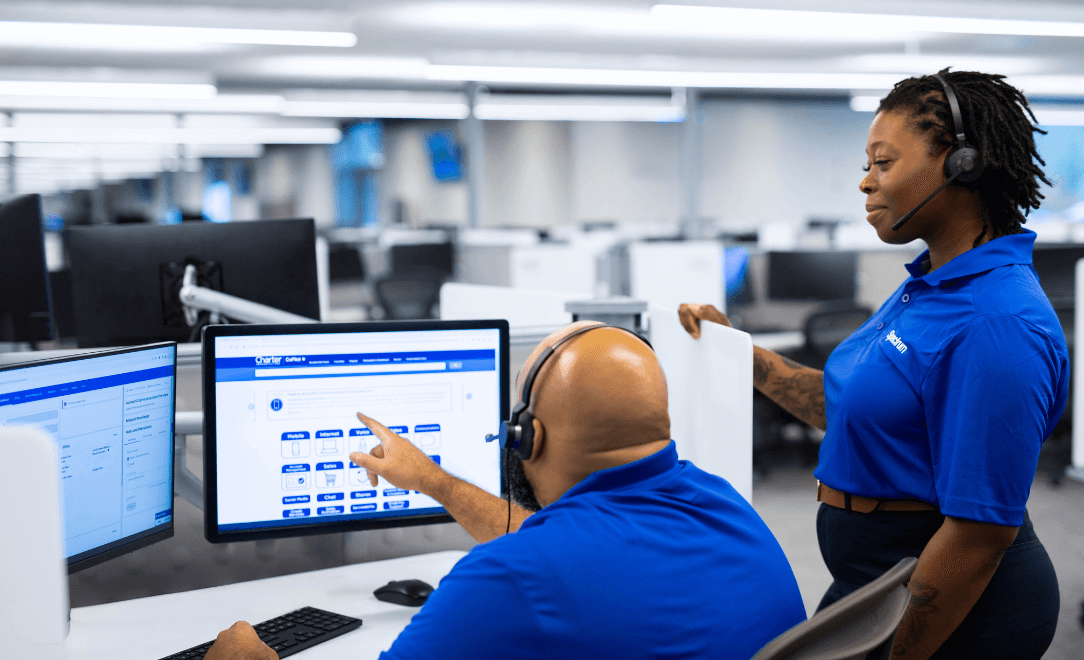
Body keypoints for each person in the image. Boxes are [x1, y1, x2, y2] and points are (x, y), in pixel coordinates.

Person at [680, 69, 1066, 660]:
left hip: (958, 604)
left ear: (961, 165)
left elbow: (979, 536)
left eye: (883, 164)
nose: (865, 183)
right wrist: (744, 355)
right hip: (875, 579)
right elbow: (853, 411)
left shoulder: (997, 323)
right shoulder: (929, 286)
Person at [205, 321, 807, 660]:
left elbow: (538, 559)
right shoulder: (724, 504)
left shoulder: (514, 574)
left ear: (527, 437)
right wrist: (435, 482)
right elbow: (564, 545)